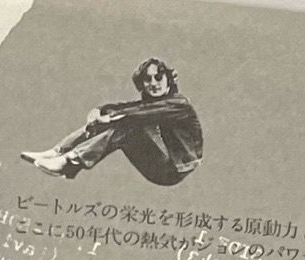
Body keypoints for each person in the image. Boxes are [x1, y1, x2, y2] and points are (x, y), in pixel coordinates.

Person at [22, 56, 205, 187]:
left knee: (126, 126)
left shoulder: (178, 104)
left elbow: (135, 113)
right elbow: (126, 107)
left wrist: (107, 117)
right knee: (121, 121)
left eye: (158, 77)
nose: (153, 83)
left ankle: (68, 161)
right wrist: (99, 111)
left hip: (175, 170)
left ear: (168, 79)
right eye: (147, 79)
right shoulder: (153, 102)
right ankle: (58, 153)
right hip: (164, 165)